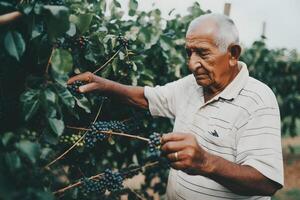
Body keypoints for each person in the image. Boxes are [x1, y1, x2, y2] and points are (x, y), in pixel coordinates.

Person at [68, 13, 283, 200]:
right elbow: (146, 97)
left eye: (202, 53)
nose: (191, 64)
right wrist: (104, 85)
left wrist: (206, 162)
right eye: (189, 53)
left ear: (233, 54)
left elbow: (266, 182)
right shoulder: (191, 85)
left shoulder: (258, 100)